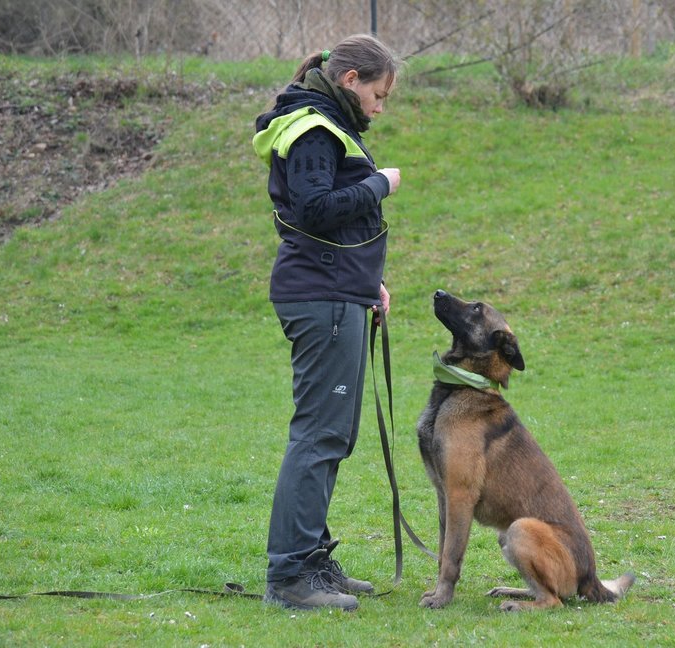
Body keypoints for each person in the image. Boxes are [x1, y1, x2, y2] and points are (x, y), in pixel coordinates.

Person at [251, 34, 402, 612]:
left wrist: (369, 283)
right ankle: (291, 576)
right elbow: (314, 208)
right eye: (379, 93)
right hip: (320, 297)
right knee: (319, 435)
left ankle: (311, 561)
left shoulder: (319, 124)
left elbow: (323, 223)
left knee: (331, 434)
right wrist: (378, 183)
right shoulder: (314, 129)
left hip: (336, 291)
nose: (380, 106)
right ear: (350, 81)